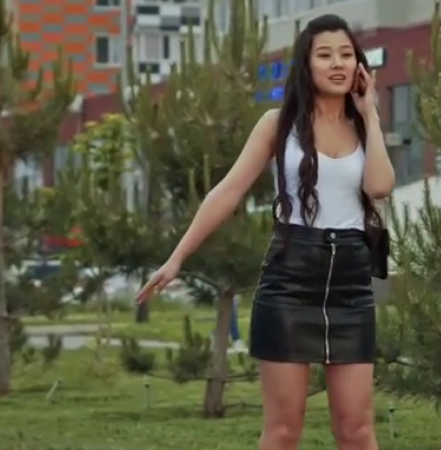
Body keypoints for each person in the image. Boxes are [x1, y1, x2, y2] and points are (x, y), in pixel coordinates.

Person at [136, 13, 394, 450]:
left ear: (359, 65)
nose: (337, 63)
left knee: (357, 431)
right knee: (283, 430)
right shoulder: (278, 124)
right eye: (325, 55)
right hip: (290, 281)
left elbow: (380, 187)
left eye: (346, 55)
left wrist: (370, 115)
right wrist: (177, 258)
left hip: (350, 286)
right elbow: (227, 191)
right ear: (306, 65)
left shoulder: (363, 125)